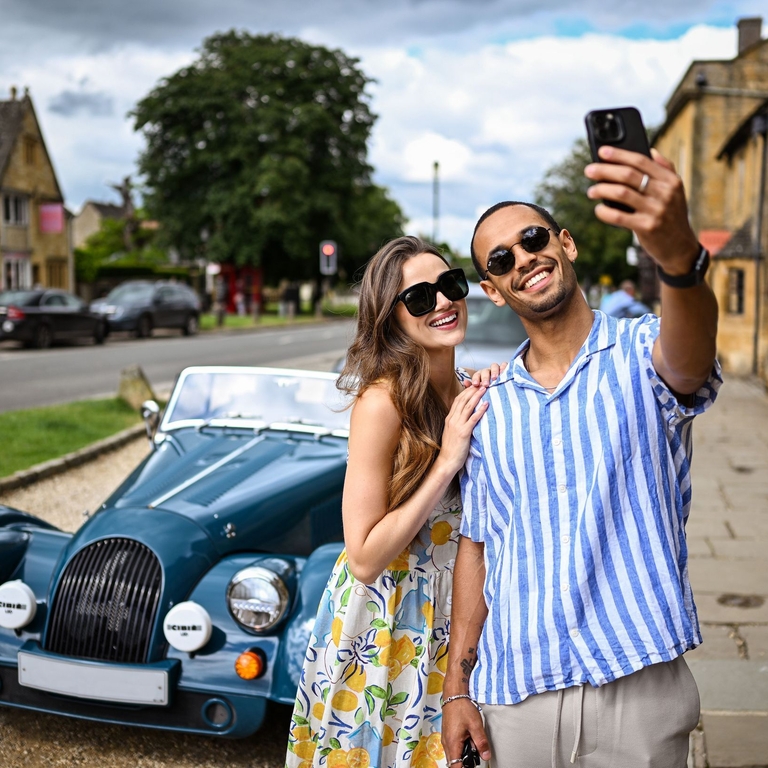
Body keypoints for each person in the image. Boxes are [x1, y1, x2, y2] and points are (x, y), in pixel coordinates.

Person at [441, 145, 720, 768]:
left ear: (565, 243)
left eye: (533, 238)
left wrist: (678, 257)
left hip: (637, 681)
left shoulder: (644, 351)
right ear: (491, 289)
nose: (524, 260)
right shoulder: (488, 405)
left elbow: (692, 354)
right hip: (516, 696)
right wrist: (457, 686)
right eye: (501, 259)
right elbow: (479, 547)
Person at [285, 236, 496, 768]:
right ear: (391, 319)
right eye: (420, 298)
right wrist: (446, 461)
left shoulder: (475, 390)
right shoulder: (383, 401)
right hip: (390, 620)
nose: (443, 302)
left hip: (462, 616)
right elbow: (363, 556)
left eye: (449, 286)